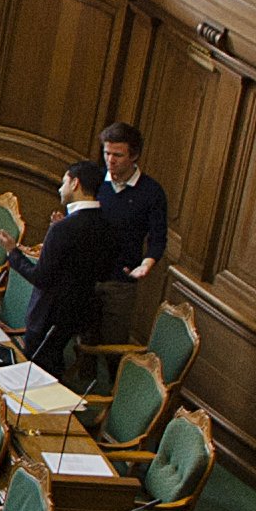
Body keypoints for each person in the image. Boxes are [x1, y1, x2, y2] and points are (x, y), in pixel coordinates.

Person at [6, 160, 113, 383]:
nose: (60, 188)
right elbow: (102, 270)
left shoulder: (63, 229)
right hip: (77, 315)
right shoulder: (105, 225)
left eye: (64, 182)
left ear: (75, 183)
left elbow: (40, 278)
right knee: (54, 374)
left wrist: (12, 252)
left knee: (35, 380)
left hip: (47, 318)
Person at [93, 118, 168, 347]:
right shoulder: (96, 181)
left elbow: (158, 237)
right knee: (84, 340)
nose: (110, 160)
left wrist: (147, 264)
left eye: (117, 155)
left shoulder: (151, 192)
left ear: (134, 156)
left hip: (120, 281)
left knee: (113, 341)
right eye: (107, 153)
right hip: (88, 273)